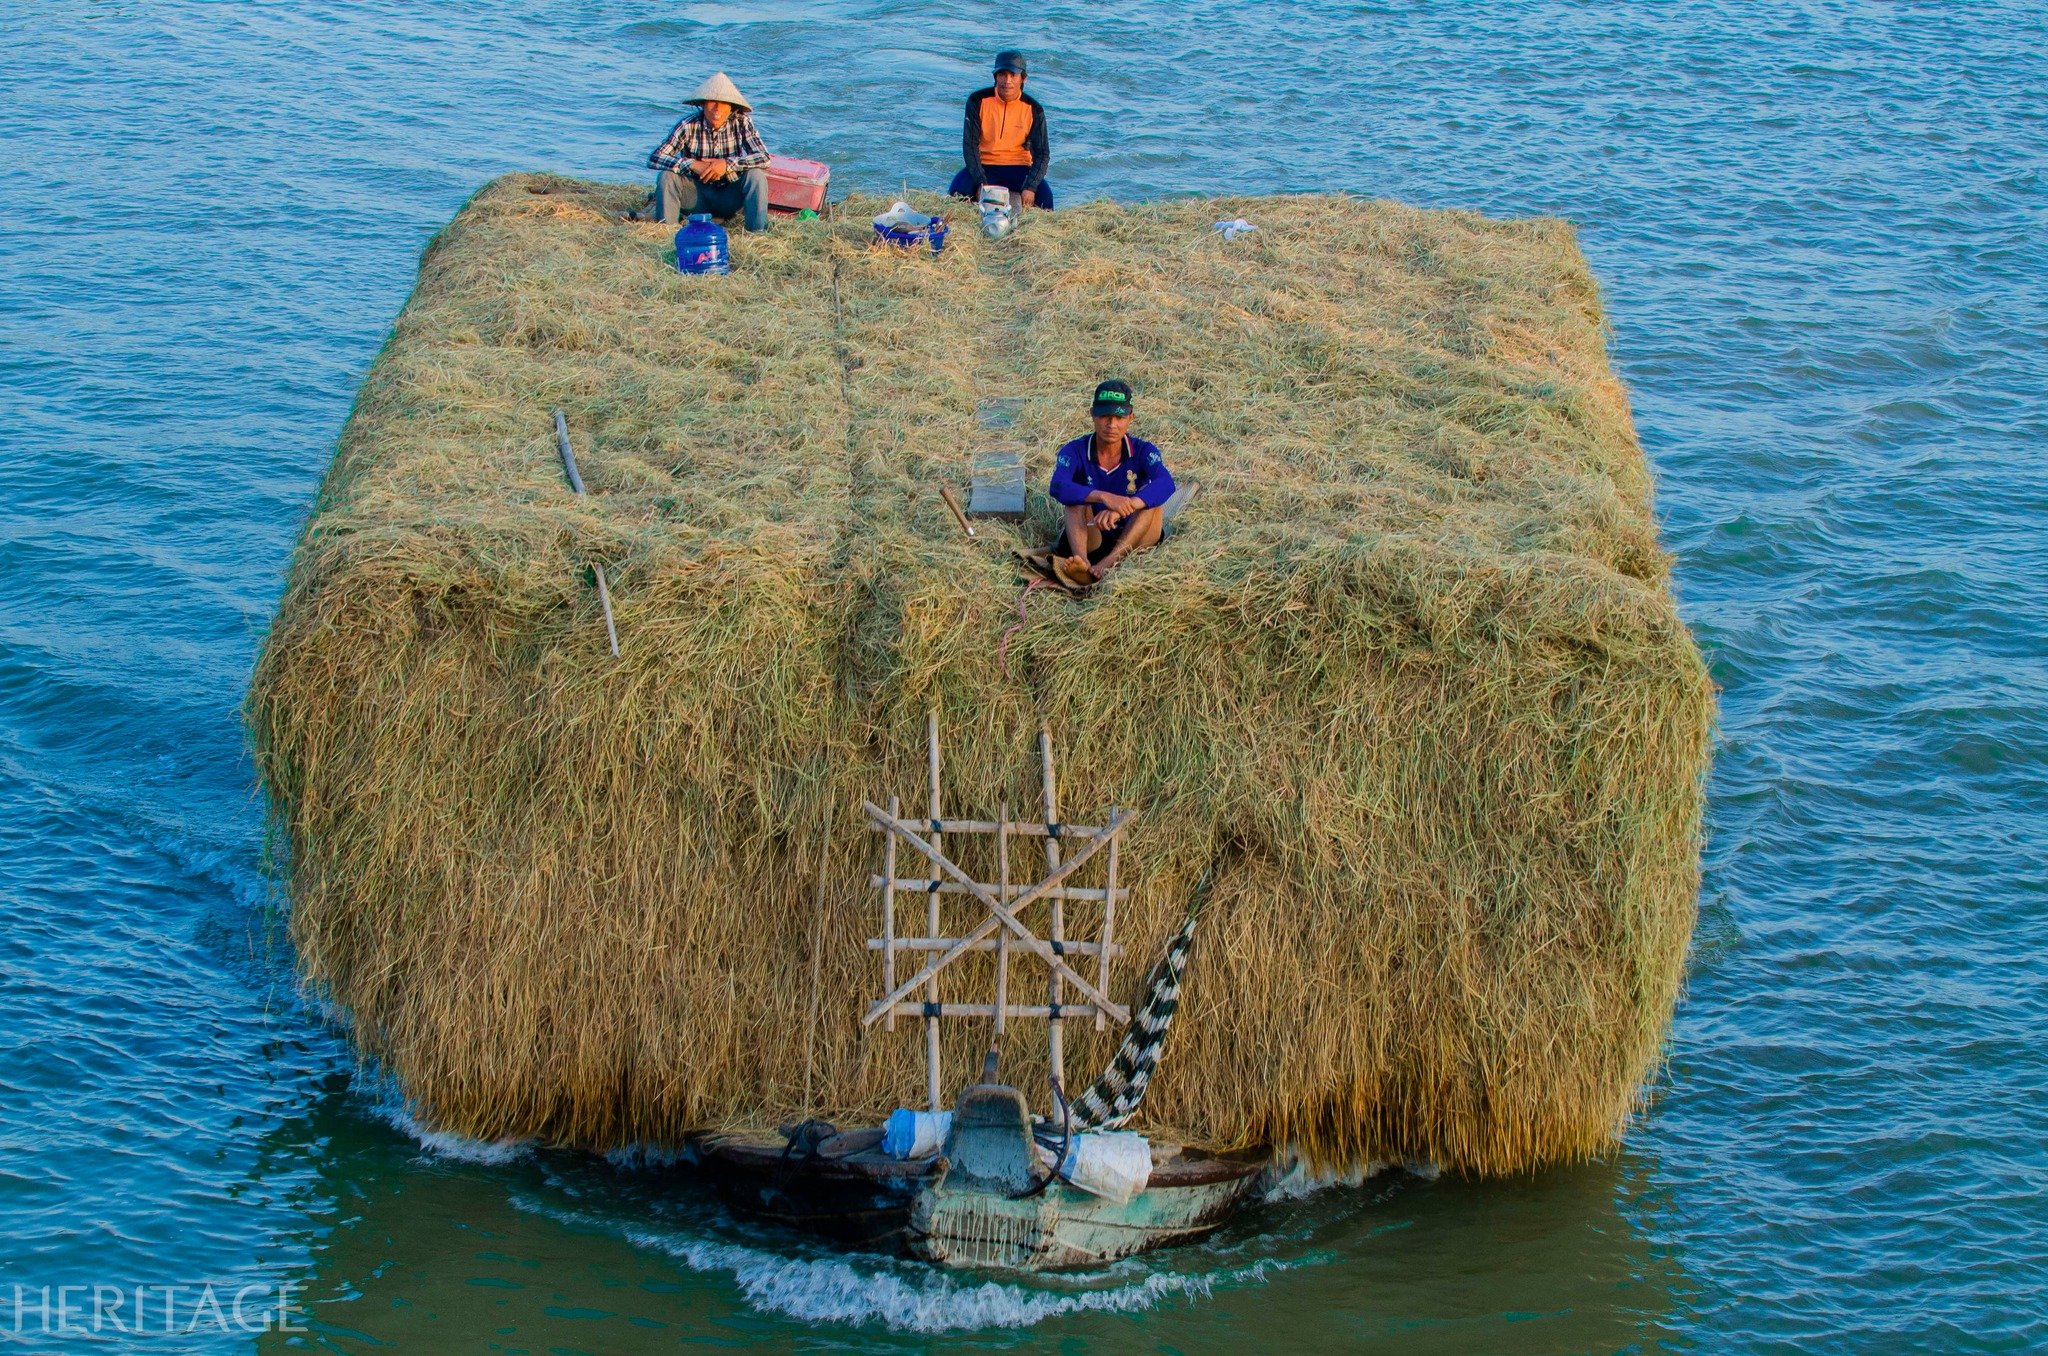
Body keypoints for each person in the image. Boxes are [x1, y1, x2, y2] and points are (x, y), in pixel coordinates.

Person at [1049, 380, 1175, 583]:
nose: (1111, 425)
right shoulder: (1074, 450)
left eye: (1119, 417)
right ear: (1092, 414)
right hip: (1093, 534)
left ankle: (1108, 563)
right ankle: (1081, 564)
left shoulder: (1143, 450)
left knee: (1151, 504)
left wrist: (1124, 506)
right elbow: (1057, 485)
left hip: (1134, 535)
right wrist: (1103, 497)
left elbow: (1166, 483)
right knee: (1074, 501)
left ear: (1131, 418)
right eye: (1105, 416)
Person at [645, 73, 771, 231]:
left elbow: (764, 158)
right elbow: (655, 158)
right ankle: (666, 231)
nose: (717, 109)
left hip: (728, 197)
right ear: (703, 104)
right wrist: (691, 164)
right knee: (666, 176)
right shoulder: (688, 125)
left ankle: (758, 233)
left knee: (756, 175)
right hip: (696, 197)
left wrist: (726, 165)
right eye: (712, 102)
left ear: (731, 107)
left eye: (723, 103)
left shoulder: (742, 123)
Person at [948, 51, 1054, 211]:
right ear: (995, 77)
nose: (1007, 81)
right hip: (985, 166)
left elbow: (1042, 154)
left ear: (1023, 79)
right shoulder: (977, 101)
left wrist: (1030, 187)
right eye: (1002, 75)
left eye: (1013, 75)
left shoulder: (1034, 109)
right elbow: (970, 147)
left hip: (1019, 168)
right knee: (957, 189)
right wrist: (980, 182)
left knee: (1046, 198)